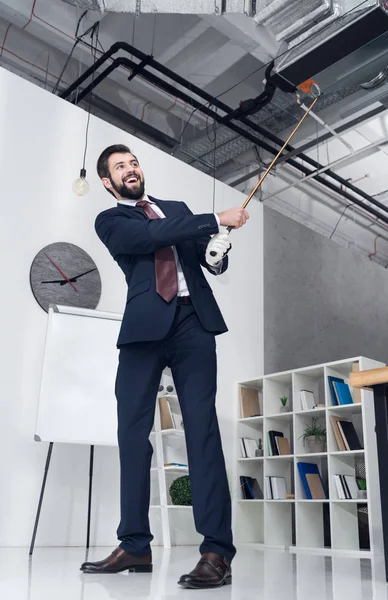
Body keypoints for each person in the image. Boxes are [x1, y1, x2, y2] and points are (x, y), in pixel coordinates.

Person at [80, 144, 249, 589]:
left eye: (133, 162)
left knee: (202, 428)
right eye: (120, 167)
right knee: (132, 434)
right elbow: (149, 239)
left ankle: (217, 551)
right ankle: (134, 545)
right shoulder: (112, 221)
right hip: (144, 328)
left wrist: (217, 248)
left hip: (194, 322)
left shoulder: (176, 209)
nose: (129, 169)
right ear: (107, 181)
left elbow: (206, 259)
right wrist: (214, 218)